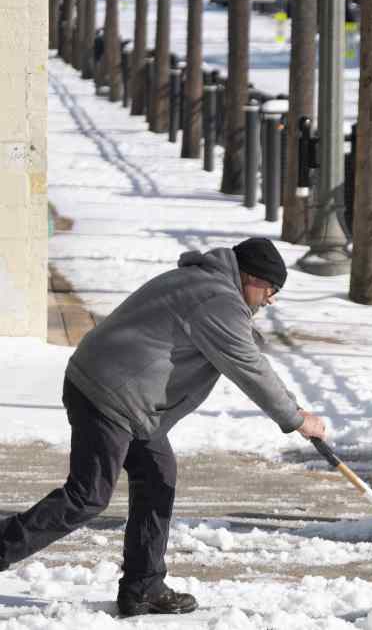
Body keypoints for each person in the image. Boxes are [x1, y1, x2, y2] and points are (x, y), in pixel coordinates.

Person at [0, 238, 326, 617]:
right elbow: (249, 368)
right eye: (270, 290)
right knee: (88, 496)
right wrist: (296, 419)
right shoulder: (217, 300)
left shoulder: (203, 283)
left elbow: (247, 356)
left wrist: (295, 410)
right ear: (250, 278)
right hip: (109, 395)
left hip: (127, 397)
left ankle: (143, 587)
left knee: (158, 476)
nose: (270, 300)